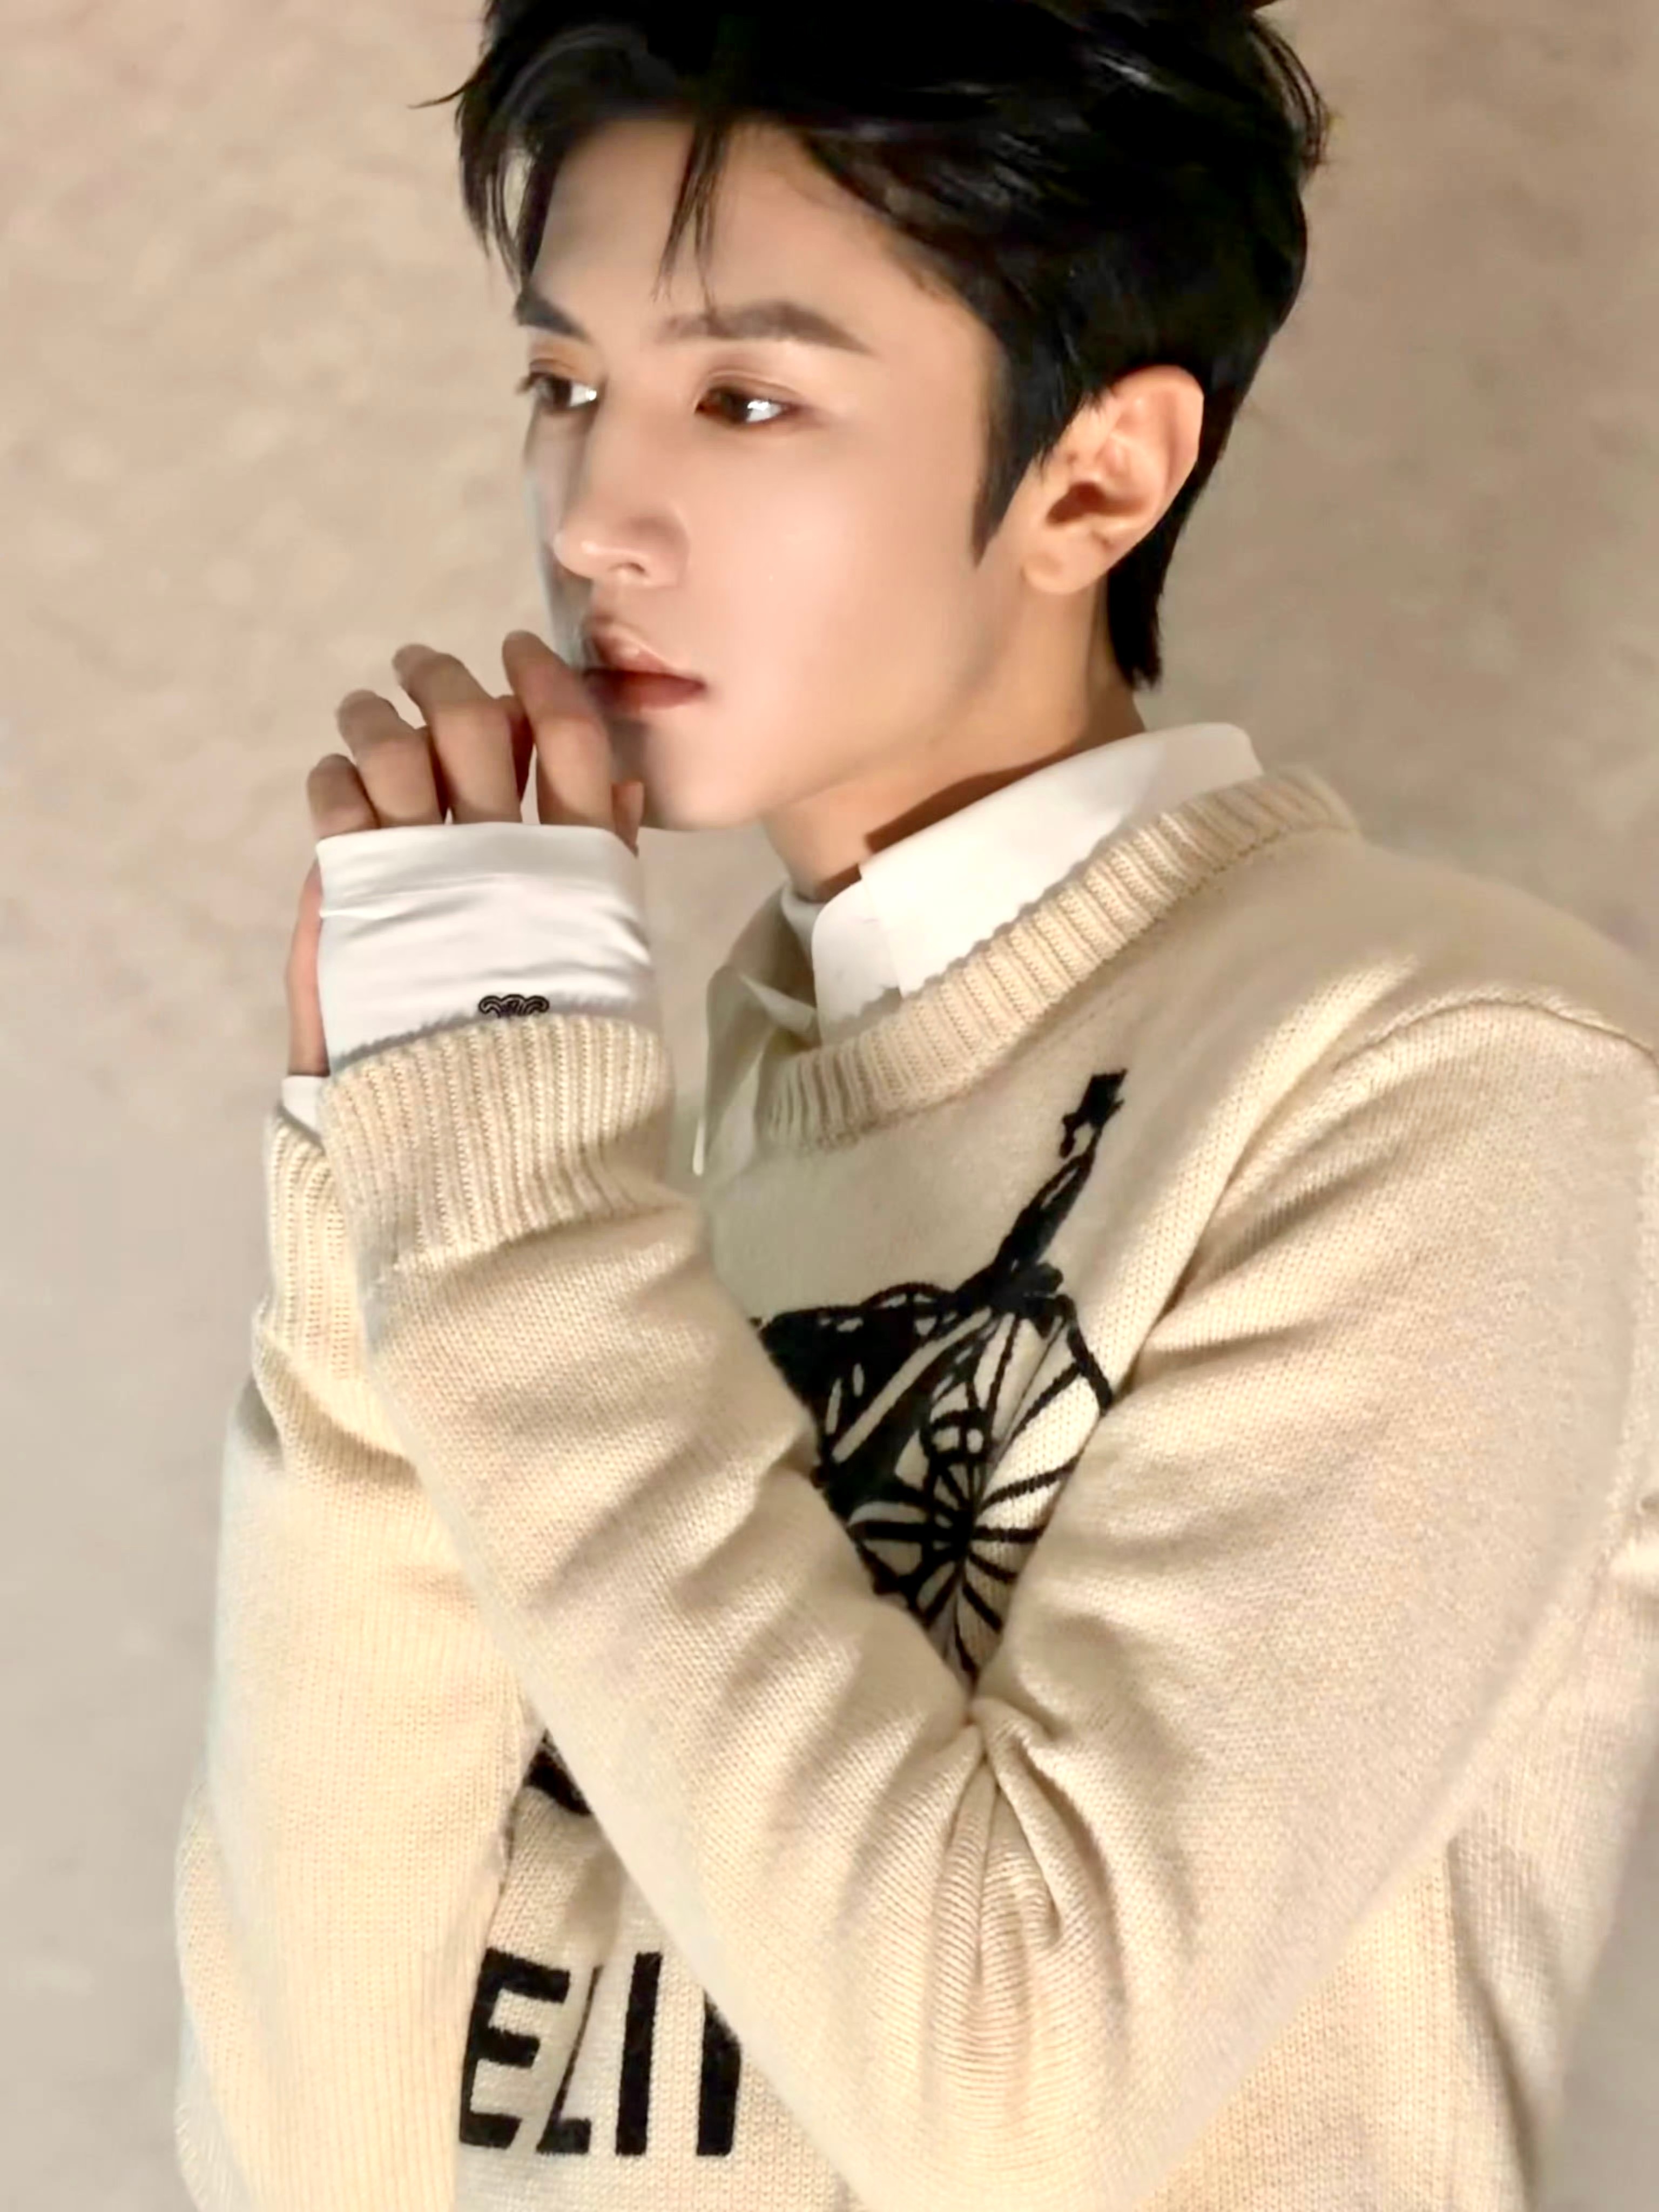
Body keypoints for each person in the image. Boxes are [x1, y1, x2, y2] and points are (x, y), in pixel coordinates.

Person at [172, 5, 1659, 2209]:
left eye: (746, 398)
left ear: (1099, 476)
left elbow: (1011, 2107)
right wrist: (384, 1186)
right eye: (564, 385)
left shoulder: (1444, 1077)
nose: (598, 514)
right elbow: (315, 2157)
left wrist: (511, 1217)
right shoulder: (610, 1162)